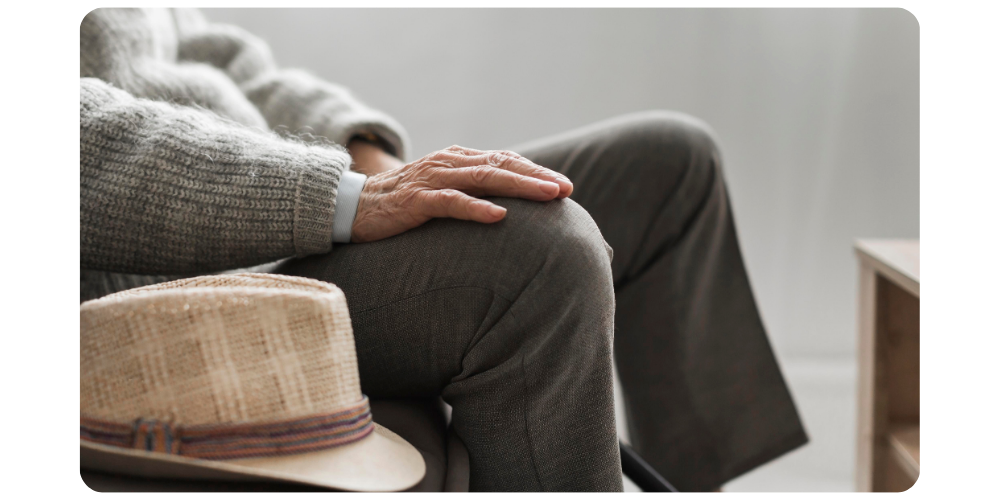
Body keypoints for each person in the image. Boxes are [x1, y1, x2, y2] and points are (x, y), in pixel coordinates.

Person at [79, 7, 807, 492]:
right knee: (539, 252)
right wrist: (336, 198)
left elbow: (220, 61)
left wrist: (370, 160)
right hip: (160, 297)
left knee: (669, 162)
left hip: (272, 228)